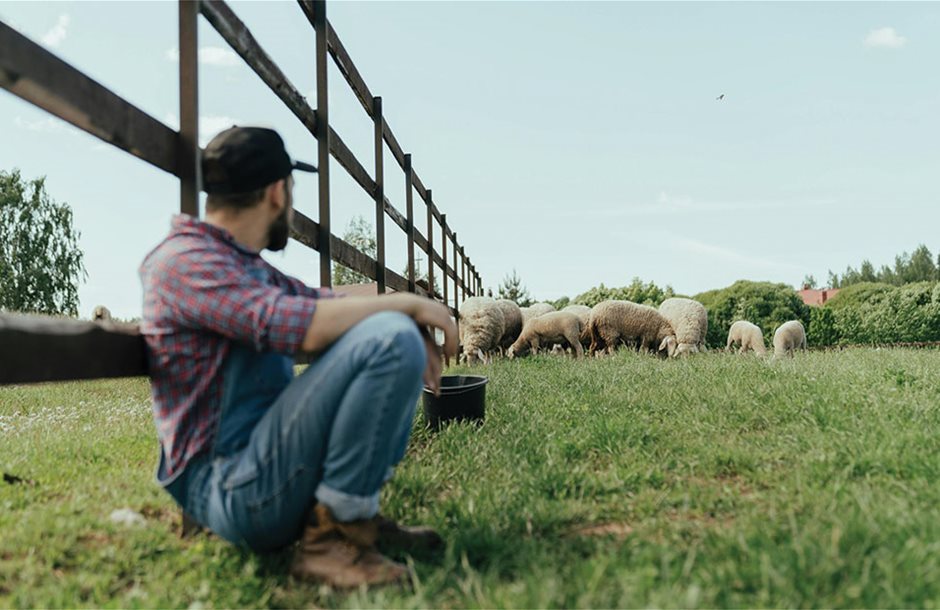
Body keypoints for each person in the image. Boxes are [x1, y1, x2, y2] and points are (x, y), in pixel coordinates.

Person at [139, 126, 458, 588]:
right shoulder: (186, 263)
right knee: (390, 337)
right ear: (277, 192)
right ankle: (332, 541)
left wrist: (401, 311)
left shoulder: (241, 265)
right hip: (229, 486)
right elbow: (291, 322)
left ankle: (352, 520)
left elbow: (321, 302)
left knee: (390, 329)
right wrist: (406, 308)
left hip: (260, 465)